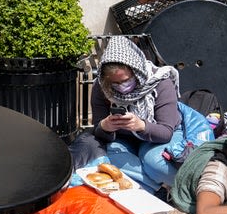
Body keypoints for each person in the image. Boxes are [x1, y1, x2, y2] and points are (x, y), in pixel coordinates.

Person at [71, 36, 187, 191]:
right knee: (109, 157)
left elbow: (166, 132)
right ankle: (158, 190)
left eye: (125, 80)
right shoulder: (101, 87)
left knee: (153, 161)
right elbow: (99, 132)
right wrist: (105, 127)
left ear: (136, 71)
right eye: (115, 83)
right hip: (123, 139)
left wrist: (141, 126)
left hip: (159, 137)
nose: (121, 87)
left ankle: (180, 186)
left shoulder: (160, 83)